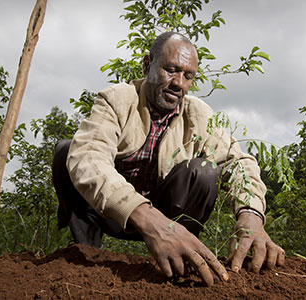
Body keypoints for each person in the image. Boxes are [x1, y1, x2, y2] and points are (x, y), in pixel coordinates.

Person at [52, 32, 285, 286]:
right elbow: (89, 157)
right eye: (171, 70)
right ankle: (88, 254)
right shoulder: (117, 100)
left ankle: (183, 258)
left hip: (172, 222)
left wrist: (250, 216)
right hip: (114, 215)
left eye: (188, 76)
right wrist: (146, 217)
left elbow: (238, 162)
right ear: (147, 64)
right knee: (67, 151)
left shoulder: (198, 115)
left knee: (204, 171)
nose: (179, 83)